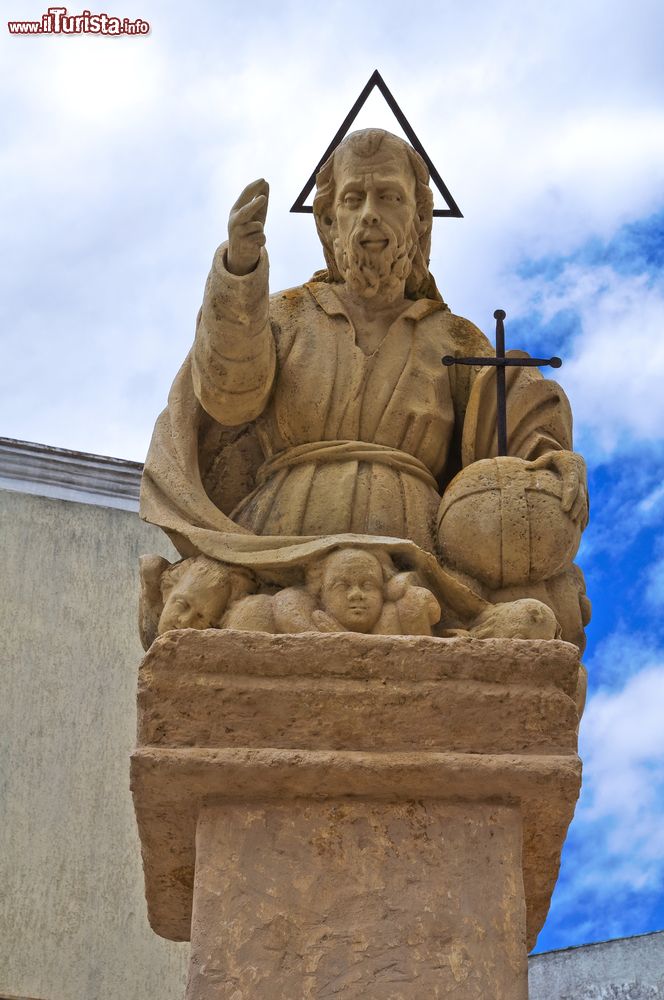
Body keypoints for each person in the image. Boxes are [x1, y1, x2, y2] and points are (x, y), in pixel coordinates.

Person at [141, 128, 589, 646]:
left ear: (420, 220)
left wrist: (548, 457)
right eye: (354, 199)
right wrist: (239, 275)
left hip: (412, 550)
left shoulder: (452, 336)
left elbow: (507, 418)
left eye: (390, 197)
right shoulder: (287, 316)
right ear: (329, 221)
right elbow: (228, 394)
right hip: (278, 542)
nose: (370, 213)